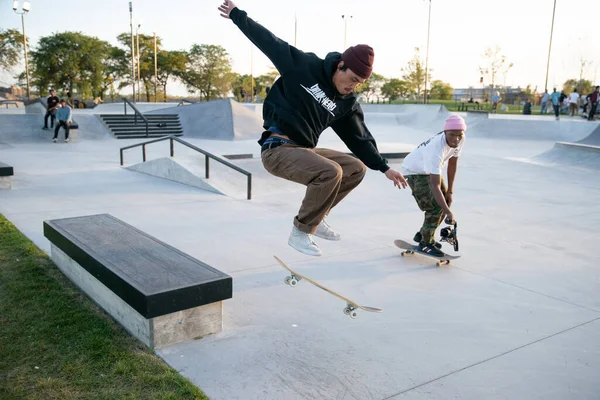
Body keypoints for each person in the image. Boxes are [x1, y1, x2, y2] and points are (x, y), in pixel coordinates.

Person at [218, 0, 408, 256]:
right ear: (340, 65)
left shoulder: (346, 104)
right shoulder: (303, 67)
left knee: (355, 169)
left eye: (359, 83)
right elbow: (270, 42)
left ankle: (317, 218)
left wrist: (384, 167)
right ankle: (301, 232)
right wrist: (237, 15)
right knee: (331, 172)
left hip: (303, 150)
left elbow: (360, 138)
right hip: (277, 149)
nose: (353, 86)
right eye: (352, 79)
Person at [400, 115, 466, 257]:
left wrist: (450, 192)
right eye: (451, 135)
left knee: (445, 201)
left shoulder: (461, 138)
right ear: (445, 133)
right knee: (436, 206)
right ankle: (425, 243)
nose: (456, 139)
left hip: (429, 170)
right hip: (414, 171)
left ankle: (423, 234)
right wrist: (448, 212)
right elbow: (435, 185)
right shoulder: (435, 149)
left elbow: (453, 164)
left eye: (459, 135)